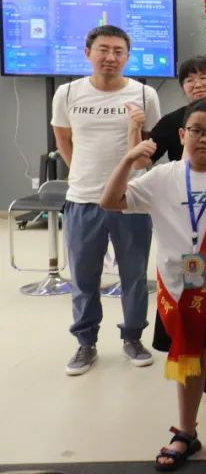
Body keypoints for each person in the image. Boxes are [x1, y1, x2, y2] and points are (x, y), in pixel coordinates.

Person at [101, 98, 206, 474]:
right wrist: (128, 160)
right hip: (176, 295)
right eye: (196, 131)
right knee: (187, 364)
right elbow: (110, 201)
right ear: (181, 134)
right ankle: (186, 432)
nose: (204, 138)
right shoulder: (161, 177)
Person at [52, 24, 161, 376]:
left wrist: (133, 131)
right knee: (84, 277)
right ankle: (86, 343)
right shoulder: (68, 93)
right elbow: (63, 140)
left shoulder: (144, 94)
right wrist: (85, 174)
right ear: (88, 53)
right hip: (83, 198)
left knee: (134, 275)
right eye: (103, 49)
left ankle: (133, 337)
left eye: (118, 51)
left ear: (128, 57)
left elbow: (147, 154)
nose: (110, 57)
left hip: (131, 200)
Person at [151, 56, 206, 163]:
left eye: (203, 78)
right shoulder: (171, 121)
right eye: (190, 80)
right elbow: (143, 161)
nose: (198, 85)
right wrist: (135, 128)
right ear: (182, 87)